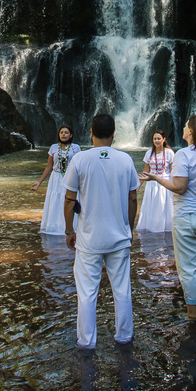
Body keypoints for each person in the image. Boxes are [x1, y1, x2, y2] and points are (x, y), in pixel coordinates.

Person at [62, 113, 139, 349]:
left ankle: (86, 342)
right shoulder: (125, 160)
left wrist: (68, 231)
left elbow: (68, 199)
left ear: (91, 133)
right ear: (114, 134)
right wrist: (129, 227)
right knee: (122, 290)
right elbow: (133, 197)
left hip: (89, 238)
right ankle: (124, 337)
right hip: (119, 238)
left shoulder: (80, 160)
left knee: (86, 293)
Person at [142, 114, 196, 320]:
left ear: (193, 132)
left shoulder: (183, 155)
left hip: (188, 216)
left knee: (188, 267)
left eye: (186, 126)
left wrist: (155, 177)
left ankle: (193, 315)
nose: (183, 129)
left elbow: (179, 187)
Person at [31, 125, 80, 235]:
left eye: (66, 132)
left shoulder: (76, 148)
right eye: (62, 132)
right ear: (58, 134)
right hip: (56, 177)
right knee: (56, 200)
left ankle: (71, 226)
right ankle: (56, 226)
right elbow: (49, 166)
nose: (64, 134)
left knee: (70, 199)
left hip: (70, 177)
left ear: (71, 135)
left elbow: (79, 166)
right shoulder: (53, 148)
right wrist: (39, 182)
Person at [134, 130, 174, 233]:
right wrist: (137, 187)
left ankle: (165, 230)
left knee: (164, 209)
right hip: (151, 186)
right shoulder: (149, 153)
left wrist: (175, 187)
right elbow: (145, 172)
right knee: (152, 210)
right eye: (155, 139)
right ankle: (152, 230)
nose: (157, 141)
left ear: (164, 139)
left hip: (165, 185)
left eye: (159, 138)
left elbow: (173, 172)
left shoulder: (169, 153)